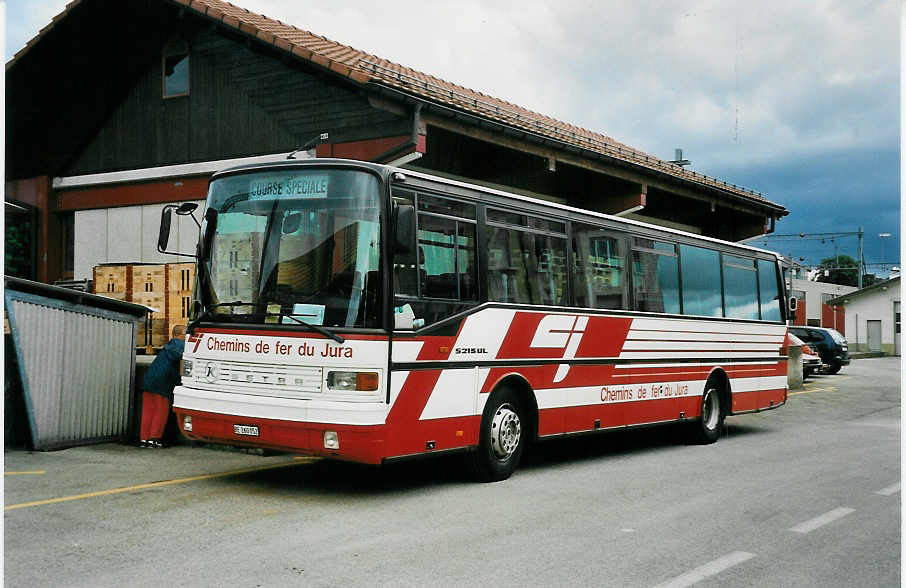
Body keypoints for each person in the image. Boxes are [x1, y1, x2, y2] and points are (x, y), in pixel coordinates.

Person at [140, 324, 186, 448]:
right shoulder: (182, 346)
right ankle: (154, 438)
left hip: (149, 380)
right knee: (160, 411)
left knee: (148, 411)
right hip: (162, 383)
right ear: (181, 334)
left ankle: (144, 438)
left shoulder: (168, 346)